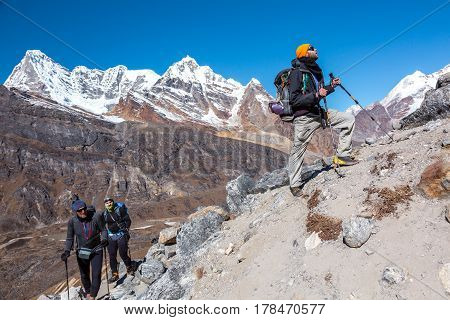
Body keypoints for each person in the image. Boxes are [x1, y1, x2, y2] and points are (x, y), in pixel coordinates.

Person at [288, 43, 358, 197]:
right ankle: (295, 185)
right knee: (298, 150)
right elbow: (294, 100)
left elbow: (319, 93)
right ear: (305, 53)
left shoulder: (312, 72)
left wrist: (331, 86)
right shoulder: (297, 73)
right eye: (312, 49)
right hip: (304, 118)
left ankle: (342, 156)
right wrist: (316, 95)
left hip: (318, 113)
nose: (316, 50)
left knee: (348, 120)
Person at [60, 198, 108, 300]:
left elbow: (104, 229)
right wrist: (67, 251)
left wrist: (104, 239)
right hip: (82, 251)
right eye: (80, 210)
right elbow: (69, 238)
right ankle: (88, 291)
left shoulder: (96, 217)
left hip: (97, 248)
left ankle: (93, 296)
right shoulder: (72, 222)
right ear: (75, 212)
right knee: (84, 274)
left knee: (96, 274)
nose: (83, 211)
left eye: (84, 209)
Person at [102, 197, 136, 283]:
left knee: (123, 253)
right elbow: (103, 227)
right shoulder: (105, 214)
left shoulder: (120, 210)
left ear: (113, 203)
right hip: (111, 236)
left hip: (121, 234)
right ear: (105, 205)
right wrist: (104, 238)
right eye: (107, 203)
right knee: (112, 255)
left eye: (110, 202)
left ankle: (129, 267)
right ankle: (115, 274)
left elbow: (128, 220)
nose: (109, 204)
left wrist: (126, 228)